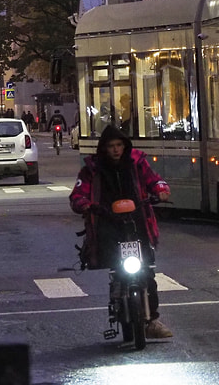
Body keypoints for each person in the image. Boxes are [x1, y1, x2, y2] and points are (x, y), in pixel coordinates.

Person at [69, 125, 173, 339]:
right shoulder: (92, 168)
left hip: (137, 222)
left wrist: (161, 190)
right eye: (111, 146)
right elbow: (78, 193)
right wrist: (84, 204)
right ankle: (117, 295)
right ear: (104, 149)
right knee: (116, 268)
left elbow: (155, 180)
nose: (116, 150)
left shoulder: (137, 162)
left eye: (119, 145)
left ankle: (152, 320)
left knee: (147, 272)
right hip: (108, 221)